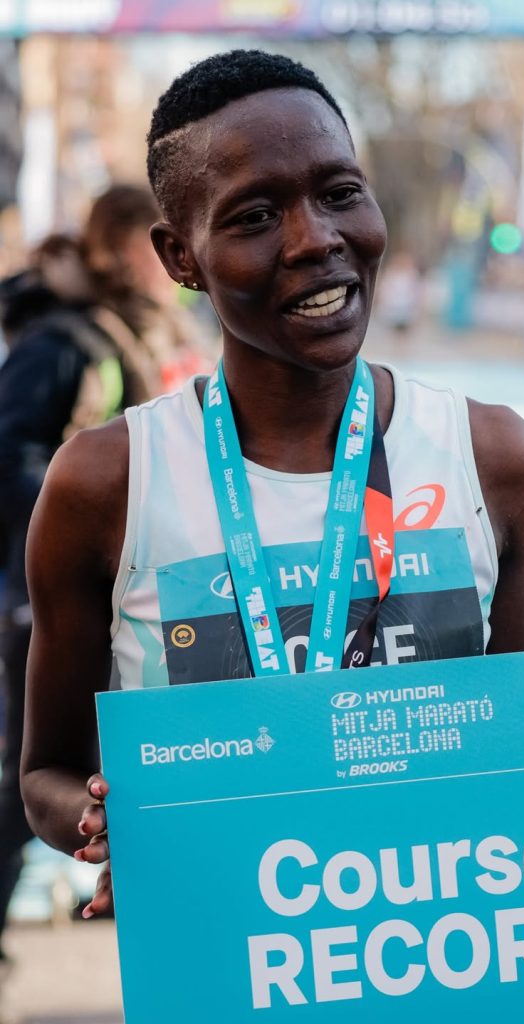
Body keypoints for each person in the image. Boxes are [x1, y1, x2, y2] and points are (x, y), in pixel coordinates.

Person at [18, 50, 524, 924]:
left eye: (339, 192)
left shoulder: (491, 455)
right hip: (231, 965)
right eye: (256, 215)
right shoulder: (107, 481)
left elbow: (508, 747)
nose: (313, 239)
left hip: (446, 964)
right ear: (180, 256)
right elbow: (44, 777)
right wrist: (108, 821)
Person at [0, 185, 207, 961]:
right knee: (34, 783)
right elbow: (9, 456)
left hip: (159, 600)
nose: (169, 259)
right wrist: (93, 512)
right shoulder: (65, 341)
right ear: (123, 249)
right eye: (152, 243)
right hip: (62, 601)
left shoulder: (164, 326)